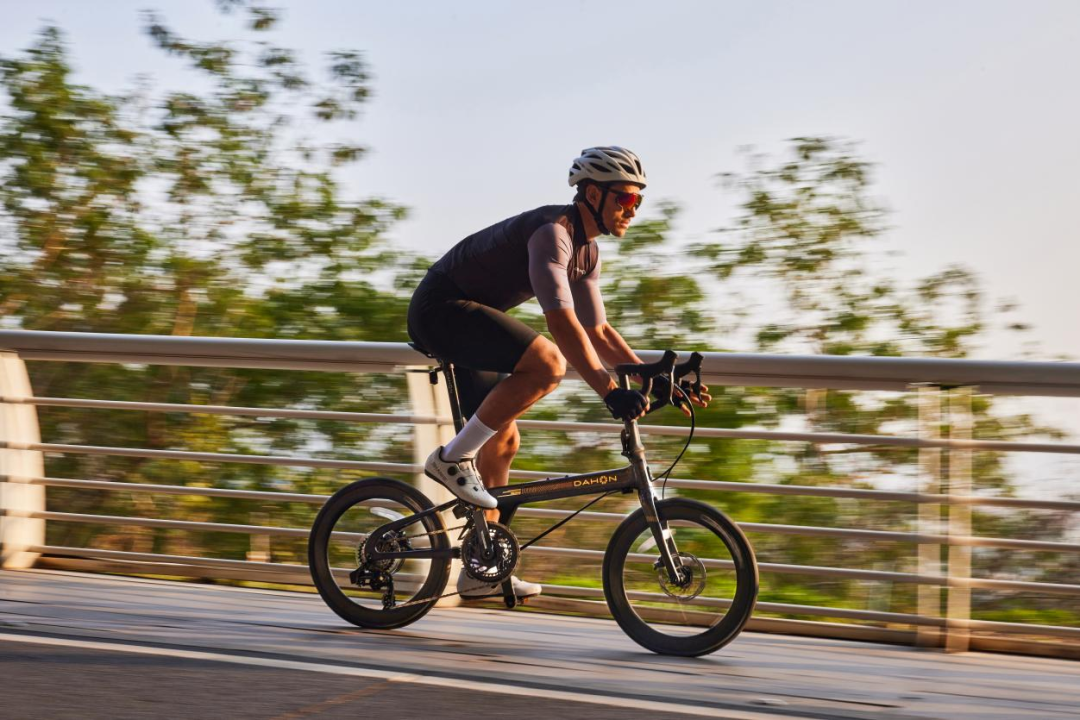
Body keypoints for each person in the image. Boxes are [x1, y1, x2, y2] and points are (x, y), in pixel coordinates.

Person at [406, 146, 710, 600]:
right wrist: (608, 391)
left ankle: (482, 569)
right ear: (592, 193)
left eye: (638, 202)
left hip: (474, 322)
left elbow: (598, 330)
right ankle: (449, 460)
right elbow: (561, 323)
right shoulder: (554, 233)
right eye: (625, 199)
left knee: (503, 442)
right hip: (440, 312)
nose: (633, 210)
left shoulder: (587, 254)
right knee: (549, 362)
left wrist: (650, 378)